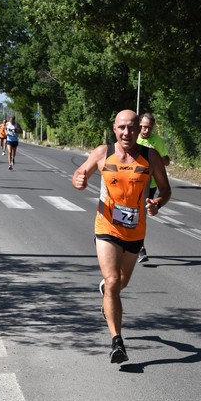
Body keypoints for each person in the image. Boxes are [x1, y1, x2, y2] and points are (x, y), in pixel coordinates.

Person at [72, 109, 171, 364]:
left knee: (120, 284)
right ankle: (117, 342)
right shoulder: (102, 152)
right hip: (107, 227)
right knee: (113, 280)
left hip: (136, 231)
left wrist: (157, 204)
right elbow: (80, 174)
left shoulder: (151, 156)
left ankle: (106, 294)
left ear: (139, 130)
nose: (127, 132)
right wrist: (79, 181)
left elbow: (165, 189)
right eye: (122, 127)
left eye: (132, 127)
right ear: (114, 129)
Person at [137, 112, 170, 263]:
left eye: (149, 128)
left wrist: (155, 155)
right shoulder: (132, 137)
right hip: (133, 182)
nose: (145, 131)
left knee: (141, 215)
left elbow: (167, 161)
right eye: (143, 127)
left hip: (149, 184)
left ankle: (140, 248)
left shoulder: (157, 141)